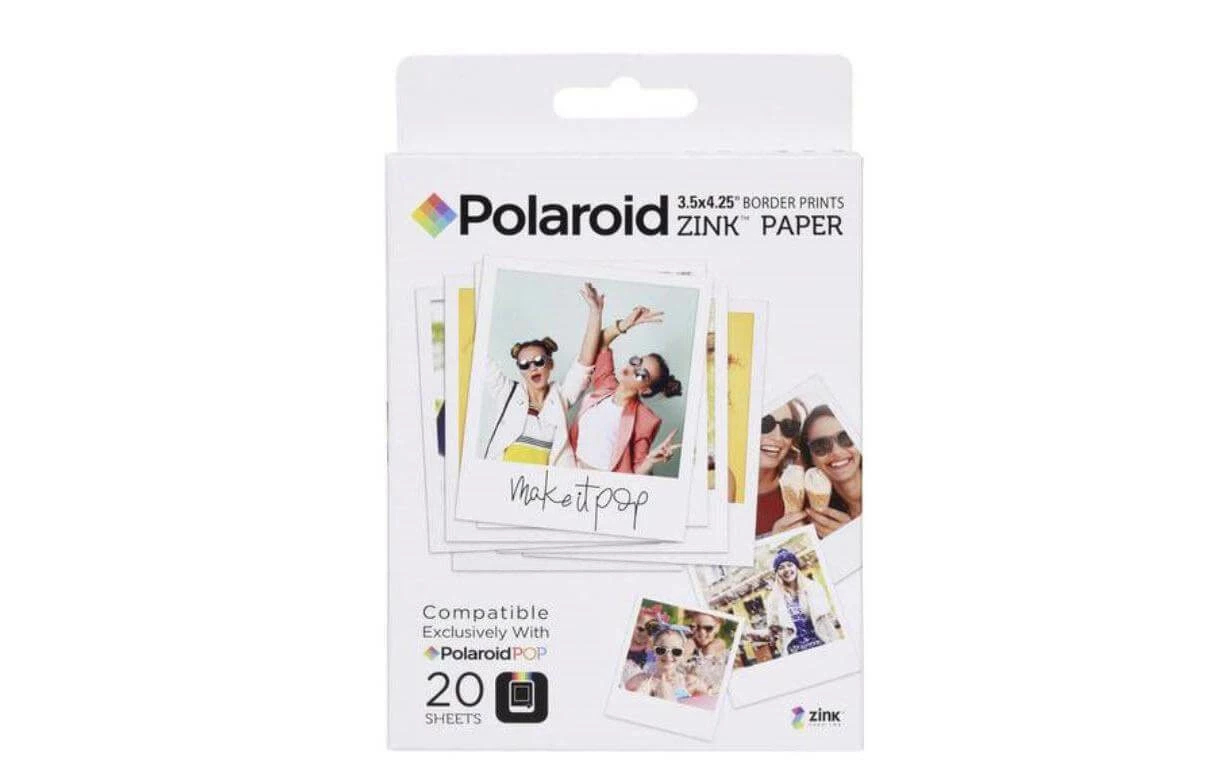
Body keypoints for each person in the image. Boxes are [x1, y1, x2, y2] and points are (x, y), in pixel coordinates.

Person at [479, 283, 604, 465]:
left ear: (550, 364)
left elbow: (584, 362)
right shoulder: (506, 391)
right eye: (524, 364)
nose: (533, 368)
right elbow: (477, 355)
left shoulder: (561, 397)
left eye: (538, 361)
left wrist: (595, 312)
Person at [569, 291, 684, 475]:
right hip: (569, 468)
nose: (632, 369)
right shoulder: (605, 385)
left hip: (600, 483)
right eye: (636, 361)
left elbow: (635, 471)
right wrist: (625, 325)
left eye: (641, 374)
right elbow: (601, 343)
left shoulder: (646, 419)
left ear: (646, 390)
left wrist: (649, 461)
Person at [798, 405, 862, 537]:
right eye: (820, 445)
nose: (836, 452)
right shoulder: (812, 516)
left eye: (845, 437)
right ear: (811, 457)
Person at [762, 548, 839, 655]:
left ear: (796, 567)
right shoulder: (773, 599)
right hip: (795, 651)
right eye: (781, 567)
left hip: (823, 643)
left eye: (790, 565)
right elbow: (774, 629)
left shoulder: (814, 588)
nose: (786, 570)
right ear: (777, 573)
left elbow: (827, 617)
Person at [755, 400, 807, 535]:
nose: (778, 438)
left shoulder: (805, 489)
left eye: (788, 427)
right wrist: (775, 542)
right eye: (765, 423)